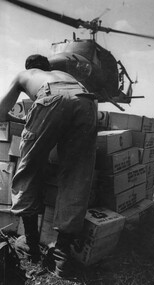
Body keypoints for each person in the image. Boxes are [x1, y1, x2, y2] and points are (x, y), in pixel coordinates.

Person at [0, 54, 97, 277]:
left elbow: (0, 112)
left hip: (51, 98)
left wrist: (25, 121)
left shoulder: (25, 75)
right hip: (87, 101)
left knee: (28, 169)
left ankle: (31, 246)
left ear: (29, 67)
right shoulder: (66, 75)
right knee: (76, 175)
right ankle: (61, 259)